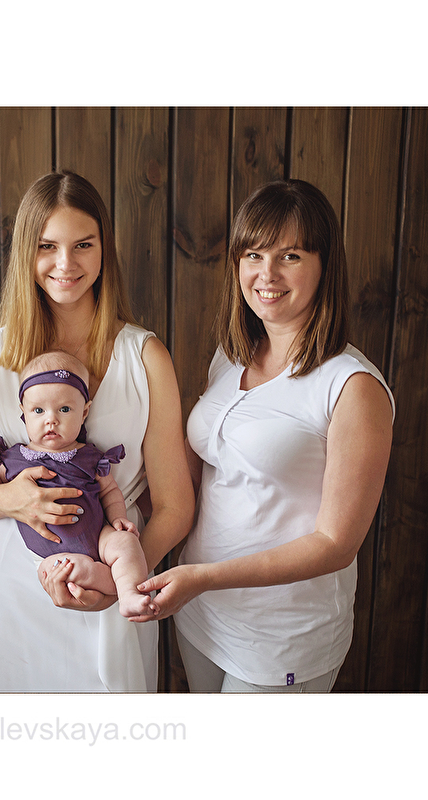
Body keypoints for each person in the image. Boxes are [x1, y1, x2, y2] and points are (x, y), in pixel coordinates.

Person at [139, 179, 395, 692]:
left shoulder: (352, 386)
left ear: (325, 266)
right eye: (253, 254)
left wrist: (202, 576)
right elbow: (196, 471)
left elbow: (335, 544)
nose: (267, 273)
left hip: (282, 636)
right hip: (202, 614)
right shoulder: (231, 355)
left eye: (290, 256)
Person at [0, 170, 194, 692]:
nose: (65, 264)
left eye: (83, 245)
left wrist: (117, 578)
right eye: (47, 246)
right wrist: (12, 500)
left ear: (104, 249)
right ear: (26, 252)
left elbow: (176, 506)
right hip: (19, 584)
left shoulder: (146, 357)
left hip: (116, 576)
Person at [0, 350, 156, 619]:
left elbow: (110, 491)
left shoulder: (89, 456)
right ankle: (102, 579)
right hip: (51, 557)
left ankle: (128, 594)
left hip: (98, 538)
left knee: (125, 544)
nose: (51, 419)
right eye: (38, 410)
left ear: (84, 412)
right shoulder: (14, 458)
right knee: (65, 574)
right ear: (23, 413)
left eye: (64, 409)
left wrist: (118, 519)